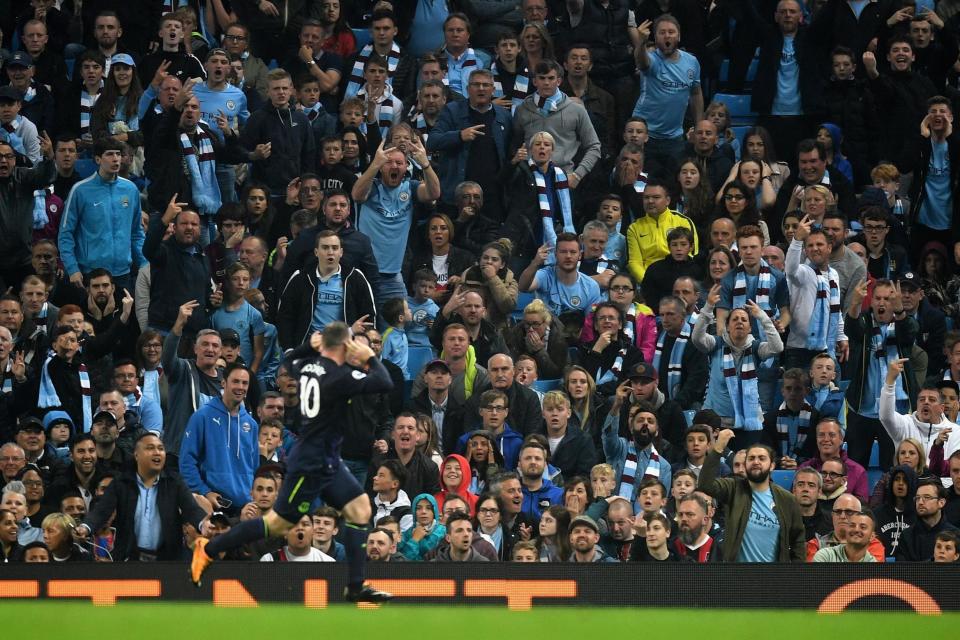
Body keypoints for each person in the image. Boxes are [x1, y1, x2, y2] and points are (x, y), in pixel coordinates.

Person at [192, 323, 394, 601]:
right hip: (311, 462)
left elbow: (288, 360)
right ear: (346, 346)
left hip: (327, 458)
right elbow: (385, 382)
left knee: (360, 510)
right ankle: (208, 550)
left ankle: (356, 586)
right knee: (276, 524)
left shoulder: (306, 366)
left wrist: (308, 347)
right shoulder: (341, 376)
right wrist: (369, 357)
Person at [74, 432, 207, 562]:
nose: (157, 452)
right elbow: (101, 511)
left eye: (161, 448)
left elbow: (192, 509)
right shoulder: (121, 483)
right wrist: (85, 527)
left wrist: (204, 525)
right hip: (130, 561)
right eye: (150, 448)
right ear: (136, 455)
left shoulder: (174, 482)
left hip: (168, 561)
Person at [692, 289, 784, 447]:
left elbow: (777, 347)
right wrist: (708, 307)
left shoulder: (755, 348)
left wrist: (762, 316)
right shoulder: (716, 344)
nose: (739, 322)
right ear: (727, 327)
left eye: (744, 319)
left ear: (749, 328)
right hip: (716, 423)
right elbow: (697, 338)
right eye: (734, 319)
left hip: (749, 423)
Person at [352, 139, 441, 303]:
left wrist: (425, 164)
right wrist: (375, 164)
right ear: (381, 167)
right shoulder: (371, 187)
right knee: (366, 325)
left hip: (393, 276)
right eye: (388, 162)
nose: (394, 166)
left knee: (396, 327)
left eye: (399, 162)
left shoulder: (410, 188)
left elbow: (434, 193)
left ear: (406, 166)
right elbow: (356, 195)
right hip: (364, 272)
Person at [698, 429, 805, 562]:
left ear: (772, 466)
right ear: (746, 464)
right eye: (751, 458)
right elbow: (705, 485)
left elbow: (798, 542)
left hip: (773, 579)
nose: (756, 462)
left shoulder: (786, 499)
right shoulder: (733, 488)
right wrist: (718, 448)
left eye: (762, 458)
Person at [427, 68, 512, 216]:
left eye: (486, 85)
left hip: (493, 197)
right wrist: (459, 136)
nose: (481, 88)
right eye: (476, 84)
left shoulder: (503, 116)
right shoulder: (452, 111)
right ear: (467, 89)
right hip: (457, 196)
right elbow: (432, 141)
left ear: (493, 90)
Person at [276, 230, 376, 350]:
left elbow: (368, 318)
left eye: (334, 248)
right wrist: (289, 349)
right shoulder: (301, 278)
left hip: (346, 347)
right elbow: (285, 316)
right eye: (325, 248)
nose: (330, 252)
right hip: (309, 347)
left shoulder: (355, 278)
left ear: (341, 252)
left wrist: (361, 347)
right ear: (316, 252)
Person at [632, 15, 703, 175]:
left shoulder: (692, 62)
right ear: (655, 37)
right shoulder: (651, 59)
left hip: (674, 137)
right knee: (641, 183)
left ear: (679, 36)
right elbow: (642, 62)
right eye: (662, 32)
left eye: (671, 32)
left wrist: (699, 125)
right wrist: (641, 42)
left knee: (674, 183)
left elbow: (696, 92)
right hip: (646, 135)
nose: (667, 36)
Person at [783, 215, 847, 369]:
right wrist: (797, 240)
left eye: (819, 244)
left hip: (825, 349)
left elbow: (835, 310)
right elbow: (790, 269)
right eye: (810, 245)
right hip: (798, 351)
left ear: (829, 248)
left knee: (830, 392)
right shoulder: (803, 272)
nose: (815, 248)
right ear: (805, 250)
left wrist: (841, 336)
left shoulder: (833, 275)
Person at [626, 179, 699, 283]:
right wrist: (648, 283)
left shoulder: (683, 221)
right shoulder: (634, 228)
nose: (650, 201)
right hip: (649, 281)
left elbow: (691, 255)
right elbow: (634, 262)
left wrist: (677, 283)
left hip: (679, 279)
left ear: (668, 201)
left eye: (656, 197)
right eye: (646, 197)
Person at [518, 232, 601, 319]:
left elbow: (590, 323)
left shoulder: (591, 287)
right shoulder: (545, 275)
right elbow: (523, 287)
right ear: (555, 254)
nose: (568, 256)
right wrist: (535, 263)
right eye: (563, 252)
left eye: (573, 252)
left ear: (580, 255)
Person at [798, 418, 869, 503]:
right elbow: (794, 501)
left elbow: (862, 508)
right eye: (821, 435)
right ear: (816, 439)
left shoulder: (858, 471)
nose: (826, 439)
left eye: (832, 435)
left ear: (841, 439)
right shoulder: (804, 468)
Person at [897, 479, 959, 561]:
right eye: (918, 498)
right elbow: (901, 571)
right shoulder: (907, 536)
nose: (920, 502)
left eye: (927, 497)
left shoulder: (956, 535)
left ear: (941, 503)